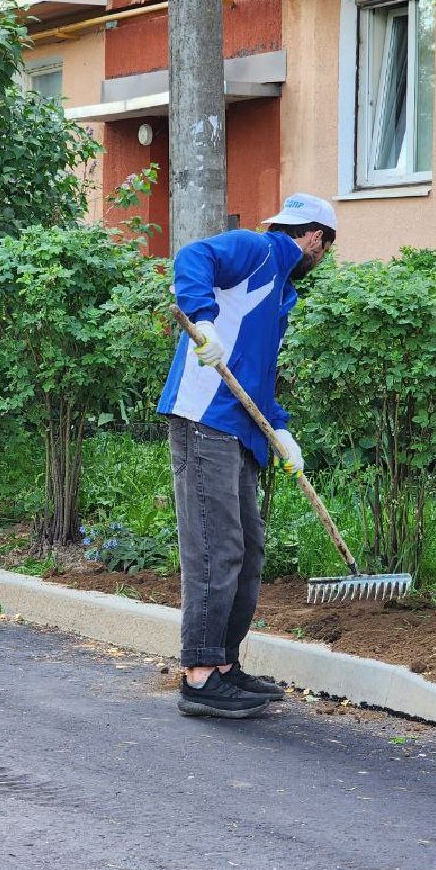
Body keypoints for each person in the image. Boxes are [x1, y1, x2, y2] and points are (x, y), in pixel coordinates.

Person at [157, 194, 338, 717]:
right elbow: (193, 256)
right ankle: (199, 675)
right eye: (324, 248)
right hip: (204, 418)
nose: (321, 258)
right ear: (314, 238)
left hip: (241, 430)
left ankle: (224, 666)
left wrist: (281, 432)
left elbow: (257, 378)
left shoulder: (280, 294)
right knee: (216, 547)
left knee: (248, 551)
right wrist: (204, 322)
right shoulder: (257, 251)